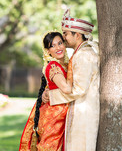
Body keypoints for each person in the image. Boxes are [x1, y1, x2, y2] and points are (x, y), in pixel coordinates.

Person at [42, 8, 100, 151]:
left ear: (78, 35)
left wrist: (51, 95)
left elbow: (78, 89)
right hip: (79, 110)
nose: (64, 38)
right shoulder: (80, 53)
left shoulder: (84, 55)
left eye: (66, 34)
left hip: (84, 112)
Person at [19, 31, 72, 151]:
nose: (58, 48)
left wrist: (46, 92)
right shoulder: (53, 66)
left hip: (61, 111)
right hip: (55, 115)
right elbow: (66, 88)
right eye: (52, 46)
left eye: (60, 43)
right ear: (48, 51)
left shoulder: (64, 64)